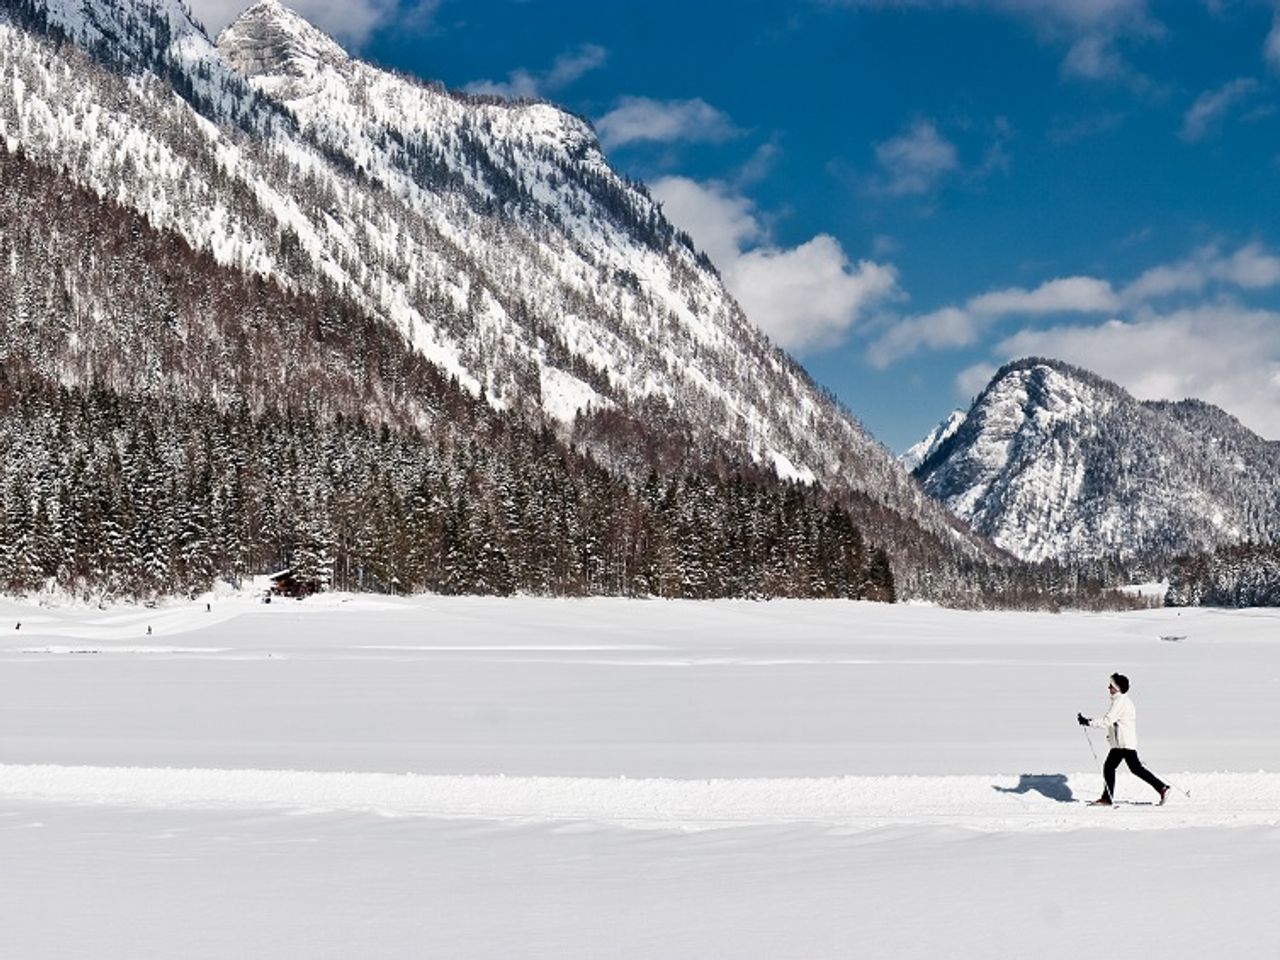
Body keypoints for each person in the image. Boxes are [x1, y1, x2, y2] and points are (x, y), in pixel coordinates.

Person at [1078, 673, 1170, 806]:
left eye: (1111, 685)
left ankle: (1161, 788)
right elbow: (1112, 722)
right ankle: (1161, 788)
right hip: (1120, 744)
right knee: (1125, 768)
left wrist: (1088, 722)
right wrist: (1090, 722)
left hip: (1123, 744)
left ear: (1118, 688)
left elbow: (1107, 721)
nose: (1108, 688)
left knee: (1120, 768)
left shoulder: (1121, 702)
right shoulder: (1120, 701)